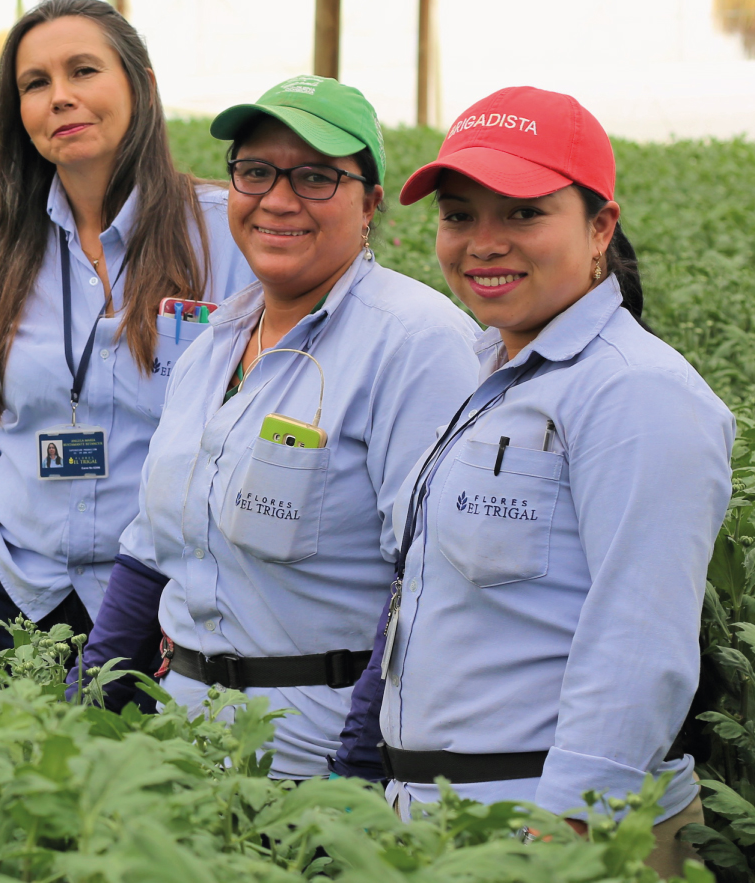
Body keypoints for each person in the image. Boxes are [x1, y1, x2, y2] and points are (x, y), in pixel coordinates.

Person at [338, 88, 733, 883]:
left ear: (600, 229)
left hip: (553, 838)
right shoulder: (492, 373)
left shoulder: (635, 394)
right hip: (453, 827)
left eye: (522, 214)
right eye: (459, 215)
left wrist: (565, 840)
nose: (483, 244)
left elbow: (640, 644)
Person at [76, 77, 476, 784]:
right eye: (255, 172)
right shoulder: (215, 342)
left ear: (371, 202)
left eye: (317, 177)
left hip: (309, 753)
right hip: (179, 737)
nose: (278, 199)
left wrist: (354, 772)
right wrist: (91, 703)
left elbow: (426, 583)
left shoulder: (416, 343)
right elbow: (151, 546)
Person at [0, 0, 253, 651]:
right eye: (36, 84)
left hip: (165, 608)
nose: (61, 98)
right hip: (19, 591)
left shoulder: (224, 235)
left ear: (142, 86)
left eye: (84, 71)